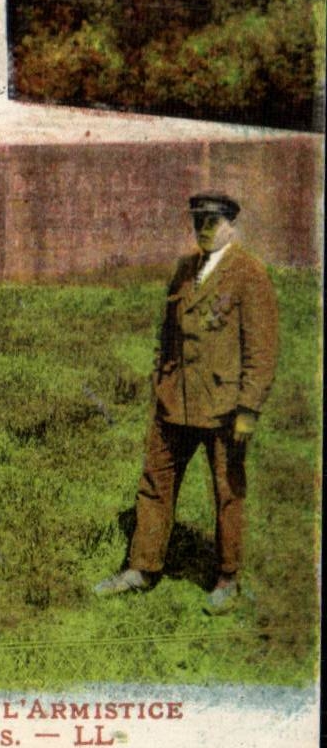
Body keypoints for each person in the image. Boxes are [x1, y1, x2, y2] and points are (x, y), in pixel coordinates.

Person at [94, 192, 278, 615]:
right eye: (198, 223)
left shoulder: (249, 274)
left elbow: (262, 352)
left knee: (228, 491)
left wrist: (248, 409)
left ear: (231, 224)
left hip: (224, 407)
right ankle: (142, 568)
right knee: (155, 482)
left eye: (212, 223)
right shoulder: (183, 270)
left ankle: (227, 578)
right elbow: (166, 337)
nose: (203, 231)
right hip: (174, 403)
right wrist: (161, 382)